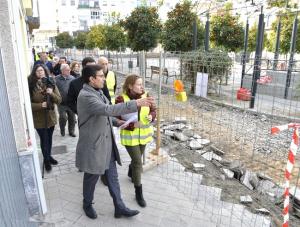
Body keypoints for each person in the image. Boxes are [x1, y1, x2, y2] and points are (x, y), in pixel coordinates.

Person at [76, 65, 154, 219]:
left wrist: (119, 123)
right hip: (94, 146)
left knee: (113, 177)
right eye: (101, 76)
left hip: (106, 143)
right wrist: (136, 103)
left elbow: (105, 115)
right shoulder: (86, 96)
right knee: (92, 177)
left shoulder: (97, 92)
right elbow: (106, 110)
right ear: (91, 79)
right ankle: (87, 203)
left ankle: (120, 207)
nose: (104, 78)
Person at [115, 74, 156, 207]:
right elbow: (116, 119)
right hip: (130, 137)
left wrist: (151, 116)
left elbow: (154, 110)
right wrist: (133, 125)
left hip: (144, 135)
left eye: (142, 84)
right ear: (130, 86)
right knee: (138, 162)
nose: (142, 87)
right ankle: (139, 193)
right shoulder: (121, 99)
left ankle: (131, 171)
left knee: (135, 161)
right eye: (139, 84)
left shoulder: (146, 95)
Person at [28, 64, 62, 171]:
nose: (40, 72)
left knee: (49, 139)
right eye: (37, 71)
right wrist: (40, 105)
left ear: (45, 71)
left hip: (50, 117)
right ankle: (46, 160)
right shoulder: (30, 85)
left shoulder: (51, 83)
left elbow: (59, 100)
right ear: (34, 72)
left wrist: (51, 93)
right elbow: (27, 104)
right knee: (44, 139)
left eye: (41, 70)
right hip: (39, 119)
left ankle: (48, 156)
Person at [55, 64, 76, 137]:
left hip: (71, 103)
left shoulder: (72, 78)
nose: (69, 71)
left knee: (72, 118)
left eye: (69, 69)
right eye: (67, 70)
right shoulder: (56, 79)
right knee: (63, 118)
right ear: (62, 71)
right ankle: (62, 129)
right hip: (61, 103)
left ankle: (71, 131)